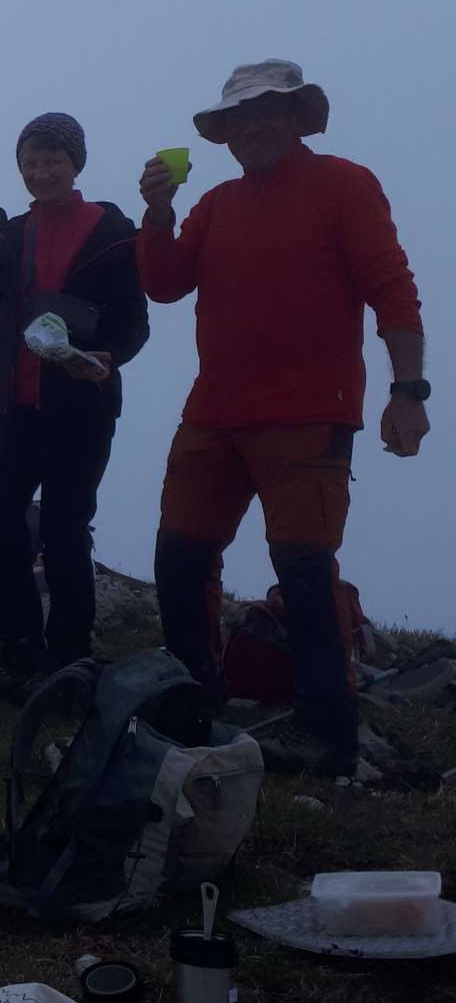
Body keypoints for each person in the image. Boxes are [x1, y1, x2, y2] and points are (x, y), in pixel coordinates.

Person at [137, 60, 427, 776]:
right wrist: (159, 214)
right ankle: (190, 697)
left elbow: (392, 287)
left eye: (267, 111)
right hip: (214, 412)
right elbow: (165, 284)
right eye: (238, 118)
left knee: (303, 565)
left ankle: (329, 731)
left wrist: (408, 391)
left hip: (309, 412)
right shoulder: (216, 204)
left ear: (298, 118)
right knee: (180, 554)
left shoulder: (344, 184)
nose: (251, 127)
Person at [0, 113, 150, 675]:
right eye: (29, 164)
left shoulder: (113, 232)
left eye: (51, 161)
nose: (39, 173)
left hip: (80, 404)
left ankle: (68, 653)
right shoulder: (16, 231)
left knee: (65, 529)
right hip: (11, 404)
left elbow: (134, 323)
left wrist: (110, 357)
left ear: (75, 164)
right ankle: (18, 641)